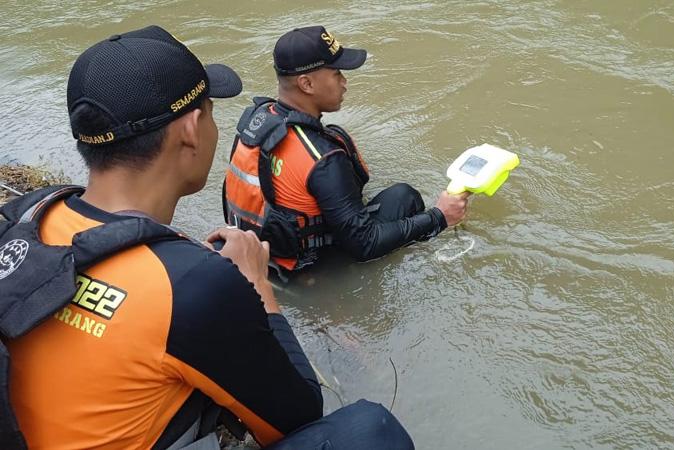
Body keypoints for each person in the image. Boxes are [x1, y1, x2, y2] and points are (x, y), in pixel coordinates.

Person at [3, 26, 413, 449]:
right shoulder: (189, 286)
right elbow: (301, 413)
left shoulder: (30, 214)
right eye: (211, 111)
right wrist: (256, 287)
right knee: (370, 431)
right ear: (191, 129)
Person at [223, 25, 469, 273]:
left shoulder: (259, 121)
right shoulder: (323, 158)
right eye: (337, 73)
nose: (345, 82)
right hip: (306, 268)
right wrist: (440, 216)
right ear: (307, 83)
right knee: (404, 197)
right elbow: (366, 243)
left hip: (259, 255)